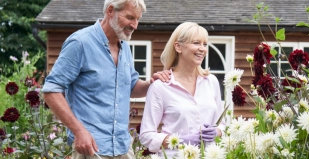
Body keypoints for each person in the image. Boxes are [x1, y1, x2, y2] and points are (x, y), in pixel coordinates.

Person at [42, 0, 171, 158]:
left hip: (123, 147)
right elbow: (51, 90)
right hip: (91, 149)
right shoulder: (80, 43)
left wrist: (150, 84)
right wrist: (79, 131)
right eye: (130, 17)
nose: (135, 25)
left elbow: (130, 86)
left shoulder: (125, 47)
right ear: (110, 11)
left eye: (138, 19)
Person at [139, 22, 226, 158]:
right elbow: (146, 136)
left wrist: (217, 132)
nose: (202, 49)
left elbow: (223, 124)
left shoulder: (211, 82)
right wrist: (181, 140)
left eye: (205, 44)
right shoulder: (161, 86)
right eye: (196, 43)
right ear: (178, 47)